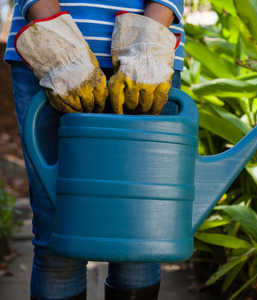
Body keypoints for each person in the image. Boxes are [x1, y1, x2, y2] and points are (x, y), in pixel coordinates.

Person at [4, 0, 185, 299]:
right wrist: (60, 50)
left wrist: (148, 44)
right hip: (46, 50)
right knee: (58, 235)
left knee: (139, 238)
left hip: (150, 52)